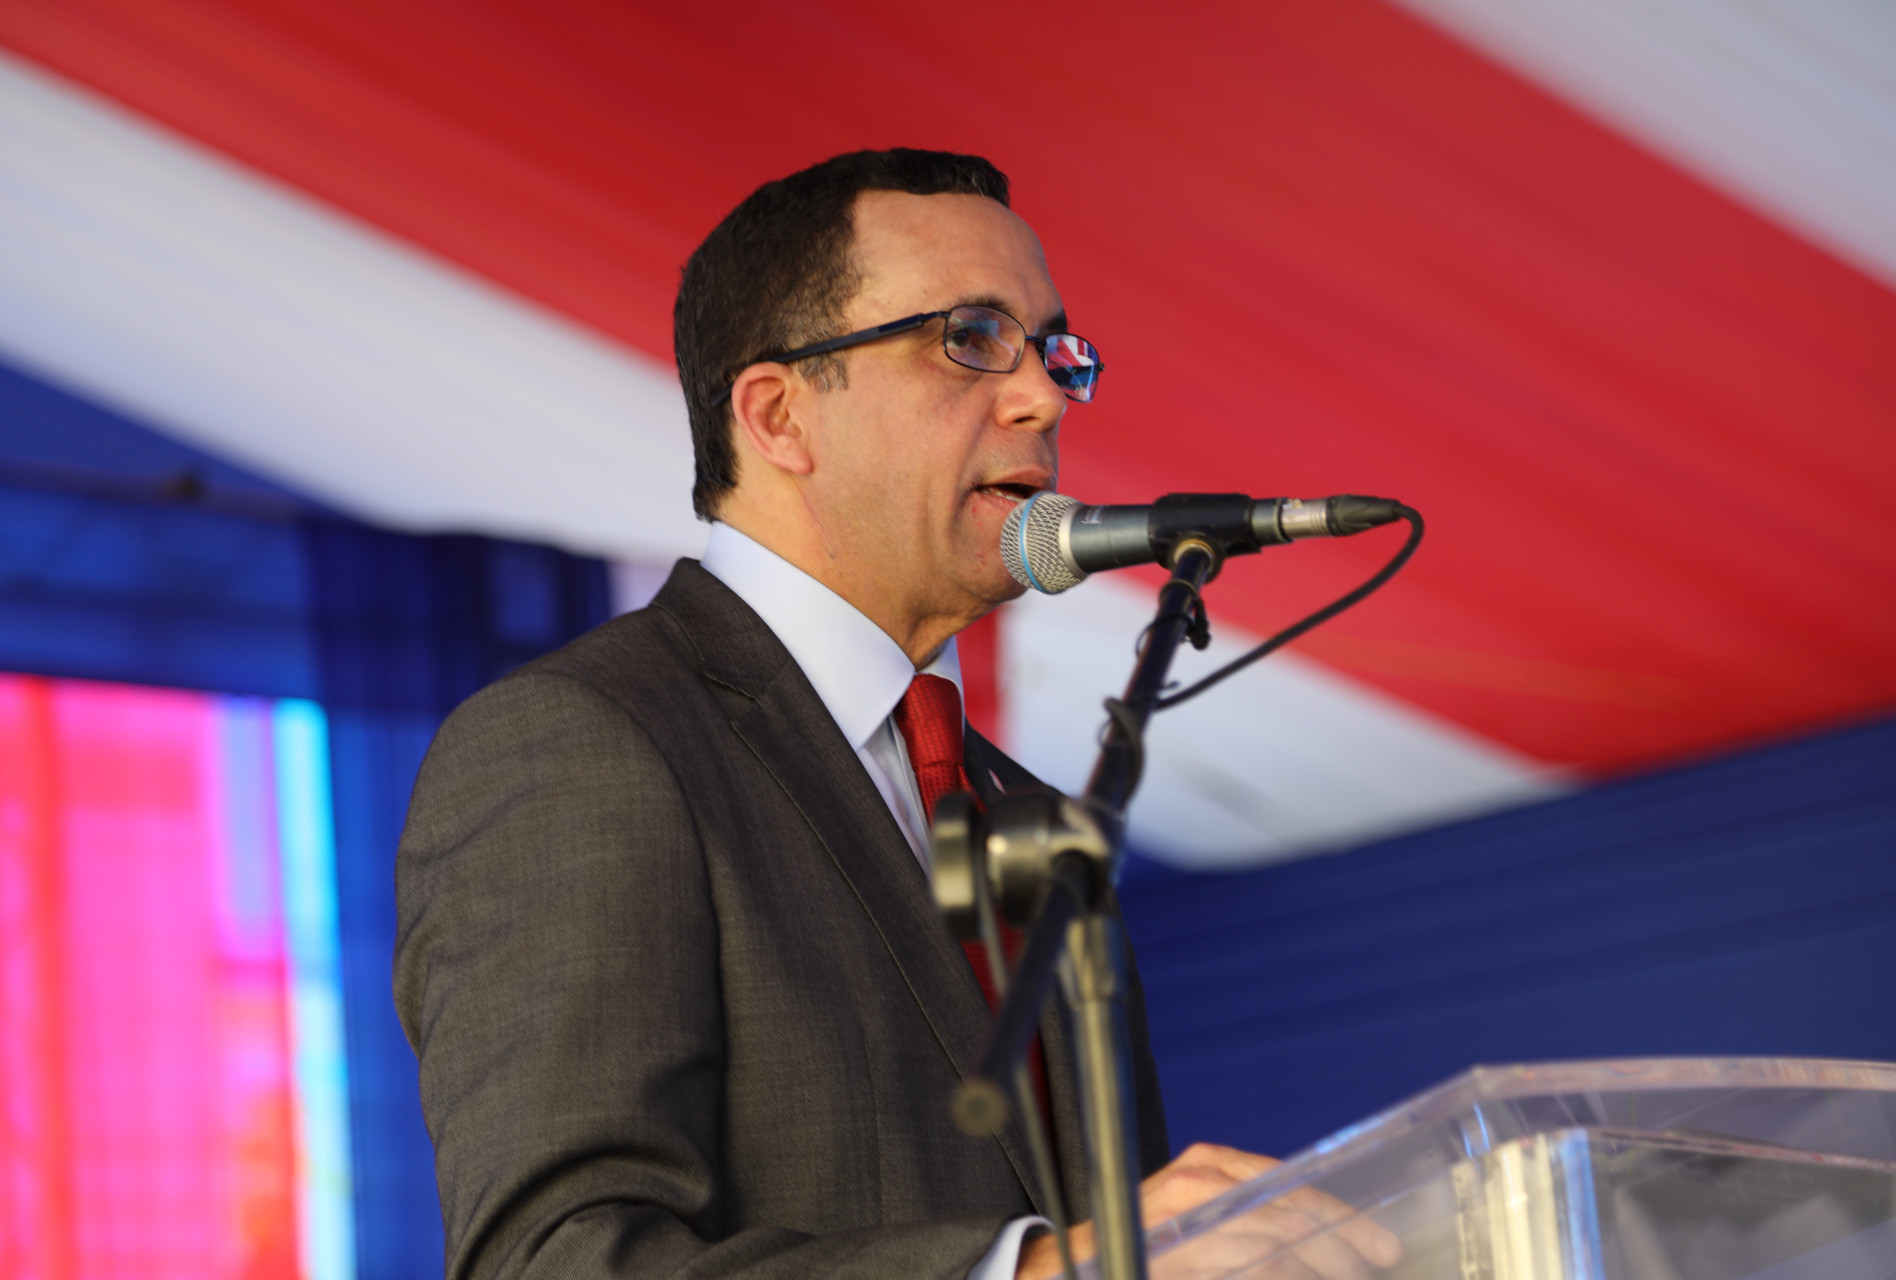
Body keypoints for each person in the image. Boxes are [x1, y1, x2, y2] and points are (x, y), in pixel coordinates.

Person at [394, 149, 1398, 1280]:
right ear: (779, 416)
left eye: (1055, 351)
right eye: (970, 338)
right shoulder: (585, 744)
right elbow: (554, 1262)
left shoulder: (1033, 814)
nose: (1042, 397)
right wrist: (1031, 1271)